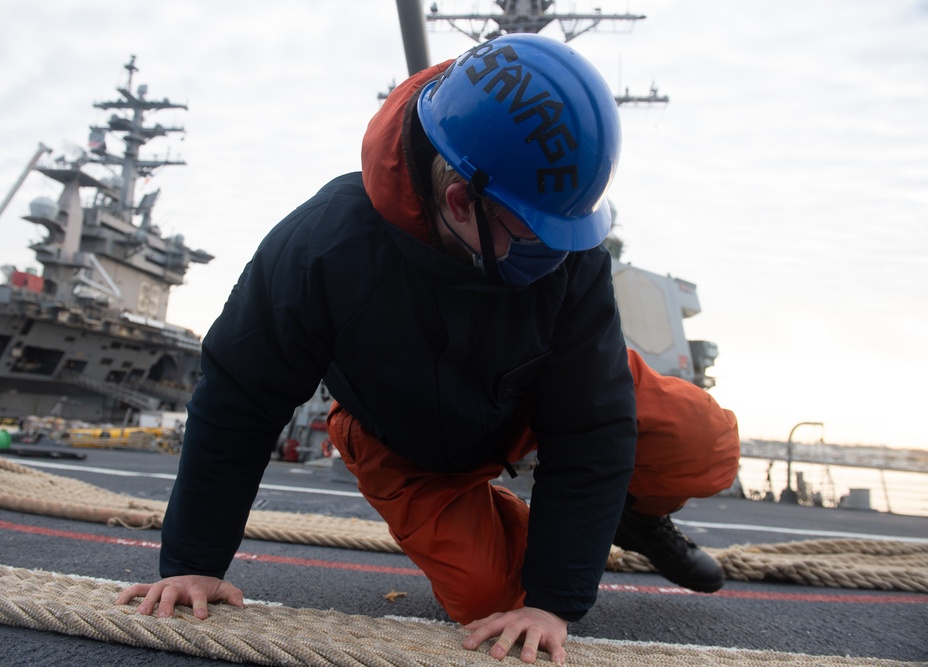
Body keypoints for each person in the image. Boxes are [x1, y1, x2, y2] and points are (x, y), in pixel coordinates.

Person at [116, 33, 739, 665]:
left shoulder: (567, 253)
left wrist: (556, 602)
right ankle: (568, 528)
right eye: (538, 238)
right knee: (496, 600)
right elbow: (238, 396)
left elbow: (594, 422)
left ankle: (627, 513)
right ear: (460, 201)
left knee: (704, 444)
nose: (561, 255)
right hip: (404, 438)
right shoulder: (323, 248)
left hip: (535, 389)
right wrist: (193, 563)